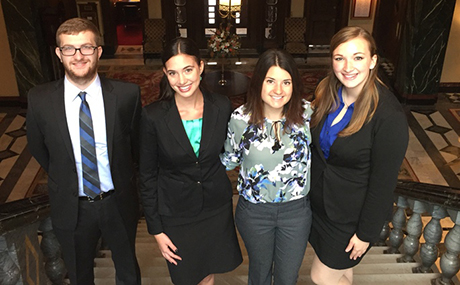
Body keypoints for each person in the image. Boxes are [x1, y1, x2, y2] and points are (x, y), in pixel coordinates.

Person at [26, 18, 141, 284]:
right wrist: (64, 175)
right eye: (69, 49)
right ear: (59, 53)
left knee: (128, 272)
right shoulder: (39, 99)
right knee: (79, 274)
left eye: (86, 48)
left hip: (118, 202)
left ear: (98, 51)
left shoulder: (127, 95)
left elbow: (136, 147)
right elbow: (38, 147)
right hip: (71, 206)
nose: (78, 56)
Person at [308, 26, 409, 284]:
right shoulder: (326, 92)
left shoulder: (389, 116)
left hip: (348, 219)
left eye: (358, 57)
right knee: (342, 273)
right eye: (339, 58)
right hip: (319, 206)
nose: (347, 66)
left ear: (373, 61)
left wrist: (365, 234)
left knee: (321, 277)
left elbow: (383, 184)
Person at [139, 37, 242, 285]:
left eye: (188, 70)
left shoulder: (221, 106)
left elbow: (234, 149)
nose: (182, 80)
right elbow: (147, 175)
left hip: (215, 209)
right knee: (186, 278)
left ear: (201, 67)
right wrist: (156, 230)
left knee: (207, 274)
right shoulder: (153, 117)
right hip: (176, 213)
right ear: (165, 73)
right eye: (173, 73)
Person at [220, 49, 313, 284]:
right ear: (258, 82)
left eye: (286, 82)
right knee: (259, 274)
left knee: (287, 276)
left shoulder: (307, 114)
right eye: (270, 81)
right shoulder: (240, 119)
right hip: (254, 213)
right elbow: (229, 160)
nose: (278, 90)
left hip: (296, 212)